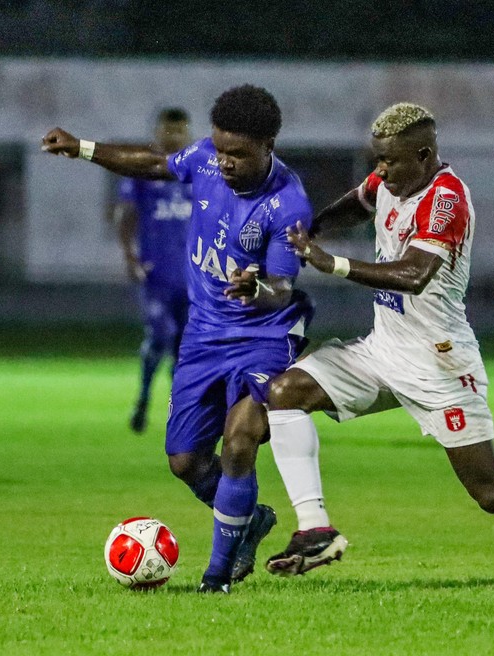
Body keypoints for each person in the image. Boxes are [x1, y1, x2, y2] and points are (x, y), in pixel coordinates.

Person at [262, 103, 494, 590]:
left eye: (390, 161)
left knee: (490, 493)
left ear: (424, 154)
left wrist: (334, 264)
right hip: (382, 352)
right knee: (286, 392)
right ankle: (314, 531)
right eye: (378, 159)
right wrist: (316, 226)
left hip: (440, 365)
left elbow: (414, 274)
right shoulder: (392, 179)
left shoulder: (445, 199)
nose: (380, 170)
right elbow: (360, 199)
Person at [41, 84, 315, 593]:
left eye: (240, 153)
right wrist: (82, 148)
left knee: (239, 442)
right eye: (221, 149)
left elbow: (281, 289)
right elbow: (155, 164)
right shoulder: (207, 159)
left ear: (268, 146)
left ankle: (217, 577)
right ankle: (249, 520)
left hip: (263, 337)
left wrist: (258, 286)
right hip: (204, 336)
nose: (226, 162)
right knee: (185, 460)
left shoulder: (288, 202)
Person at [113, 107, 194, 433]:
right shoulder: (143, 169)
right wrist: (130, 258)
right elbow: (127, 215)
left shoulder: (201, 170)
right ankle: (144, 398)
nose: (173, 136)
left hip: (194, 278)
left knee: (185, 349)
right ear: (157, 132)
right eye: (168, 130)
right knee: (161, 334)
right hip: (157, 274)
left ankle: (179, 414)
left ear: (188, 134)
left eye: (179, 130)